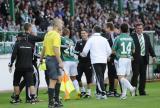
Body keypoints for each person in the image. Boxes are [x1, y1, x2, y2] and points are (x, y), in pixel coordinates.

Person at [10, 23, 44, 103]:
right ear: (29, 28)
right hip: (30, 63)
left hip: (20, 64)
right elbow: (41, 38)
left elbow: (14, 54)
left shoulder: (17, 43)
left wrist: (11, 64)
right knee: (34, 80)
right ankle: (31, 98)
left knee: (20, 81)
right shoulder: (31, 40)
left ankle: (16, 97)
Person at [81, 26, 112, 100]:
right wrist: (105, 56)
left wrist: (82, 54)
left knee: (99, 77)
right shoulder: (104, 39)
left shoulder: (91, 39)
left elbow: (85, 51)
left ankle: (103, 93)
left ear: (93, 31)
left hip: (95, 61)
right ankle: (98, 93)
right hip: (103, 61)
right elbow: (109, 51)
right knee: (100, 76)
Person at [40, 18, 64, 108]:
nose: (62, 25)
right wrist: (60, 61)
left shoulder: (47, 34)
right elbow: (56, 49)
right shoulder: (56, 35)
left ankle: (56, 101)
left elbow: (44, 48)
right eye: (61, 24)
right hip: (54, 59)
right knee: (53, 80)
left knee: (58, 79)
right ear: (57, 25)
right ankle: (51, 103)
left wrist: (41, 59)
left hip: (49, 59)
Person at [8, 34, 36, 104]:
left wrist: (11, 64)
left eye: (17, 37)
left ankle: (16, 99)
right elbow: (33, 55)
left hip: (19, 67)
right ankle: (32, 99)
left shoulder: (17, 45)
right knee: (31, 83)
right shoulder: (31, 45)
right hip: (29, 67)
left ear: (20, 37)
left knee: (16, 83)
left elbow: (13, 55)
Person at [131, 22, 156, 96]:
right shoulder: (132, 37)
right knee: (135, 75)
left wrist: (153, 56)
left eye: (141, 28)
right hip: (135, 59)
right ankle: (133, 91)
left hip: (144, 58)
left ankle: (142, 91)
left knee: (143, 75)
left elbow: (149, 47)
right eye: (138, 28)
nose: (139, 30)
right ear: (135, 29)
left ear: (143, 29)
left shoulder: (146, 36)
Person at [112, 23, 136, 99]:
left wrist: (119, 55)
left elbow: (113, 50)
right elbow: (134, 50)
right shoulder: (130, 38)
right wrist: (128, 54)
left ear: (120, 29)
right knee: (124, 77)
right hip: (129, 59)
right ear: (127, 30)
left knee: (120, 77)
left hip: (122, 59)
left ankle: (131, 88)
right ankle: (124, 94)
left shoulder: (118, 38)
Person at [61, 28, 81, 99]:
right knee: (74, 78)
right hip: (73, 61)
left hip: (66, 60)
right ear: (68, 34)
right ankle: (78, 92)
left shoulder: (61, 39)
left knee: (65, 78)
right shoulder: (71, 41)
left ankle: (67, 95)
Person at [75, 29, 92, 98]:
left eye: (84, 33)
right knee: (77, 77)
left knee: (89, 78)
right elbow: (75, 51)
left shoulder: (90, 42)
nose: (83, 34)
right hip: (80, 62)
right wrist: (79, 53)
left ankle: (89, 92)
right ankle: (82, 90)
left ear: (87, 34)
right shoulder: (78, 42)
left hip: (88, 62)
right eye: (81, 33)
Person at [104, 22, 120, 97]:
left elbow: (114, 47)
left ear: (109, 28)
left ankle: (112, 91)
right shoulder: (112, 35)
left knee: (113, 74)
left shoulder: (113, 35)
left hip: (113, 57)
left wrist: (109, 55)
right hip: (113, 57)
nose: (104, 29)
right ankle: (112, 91)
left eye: (105, 27)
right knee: (111, 74)